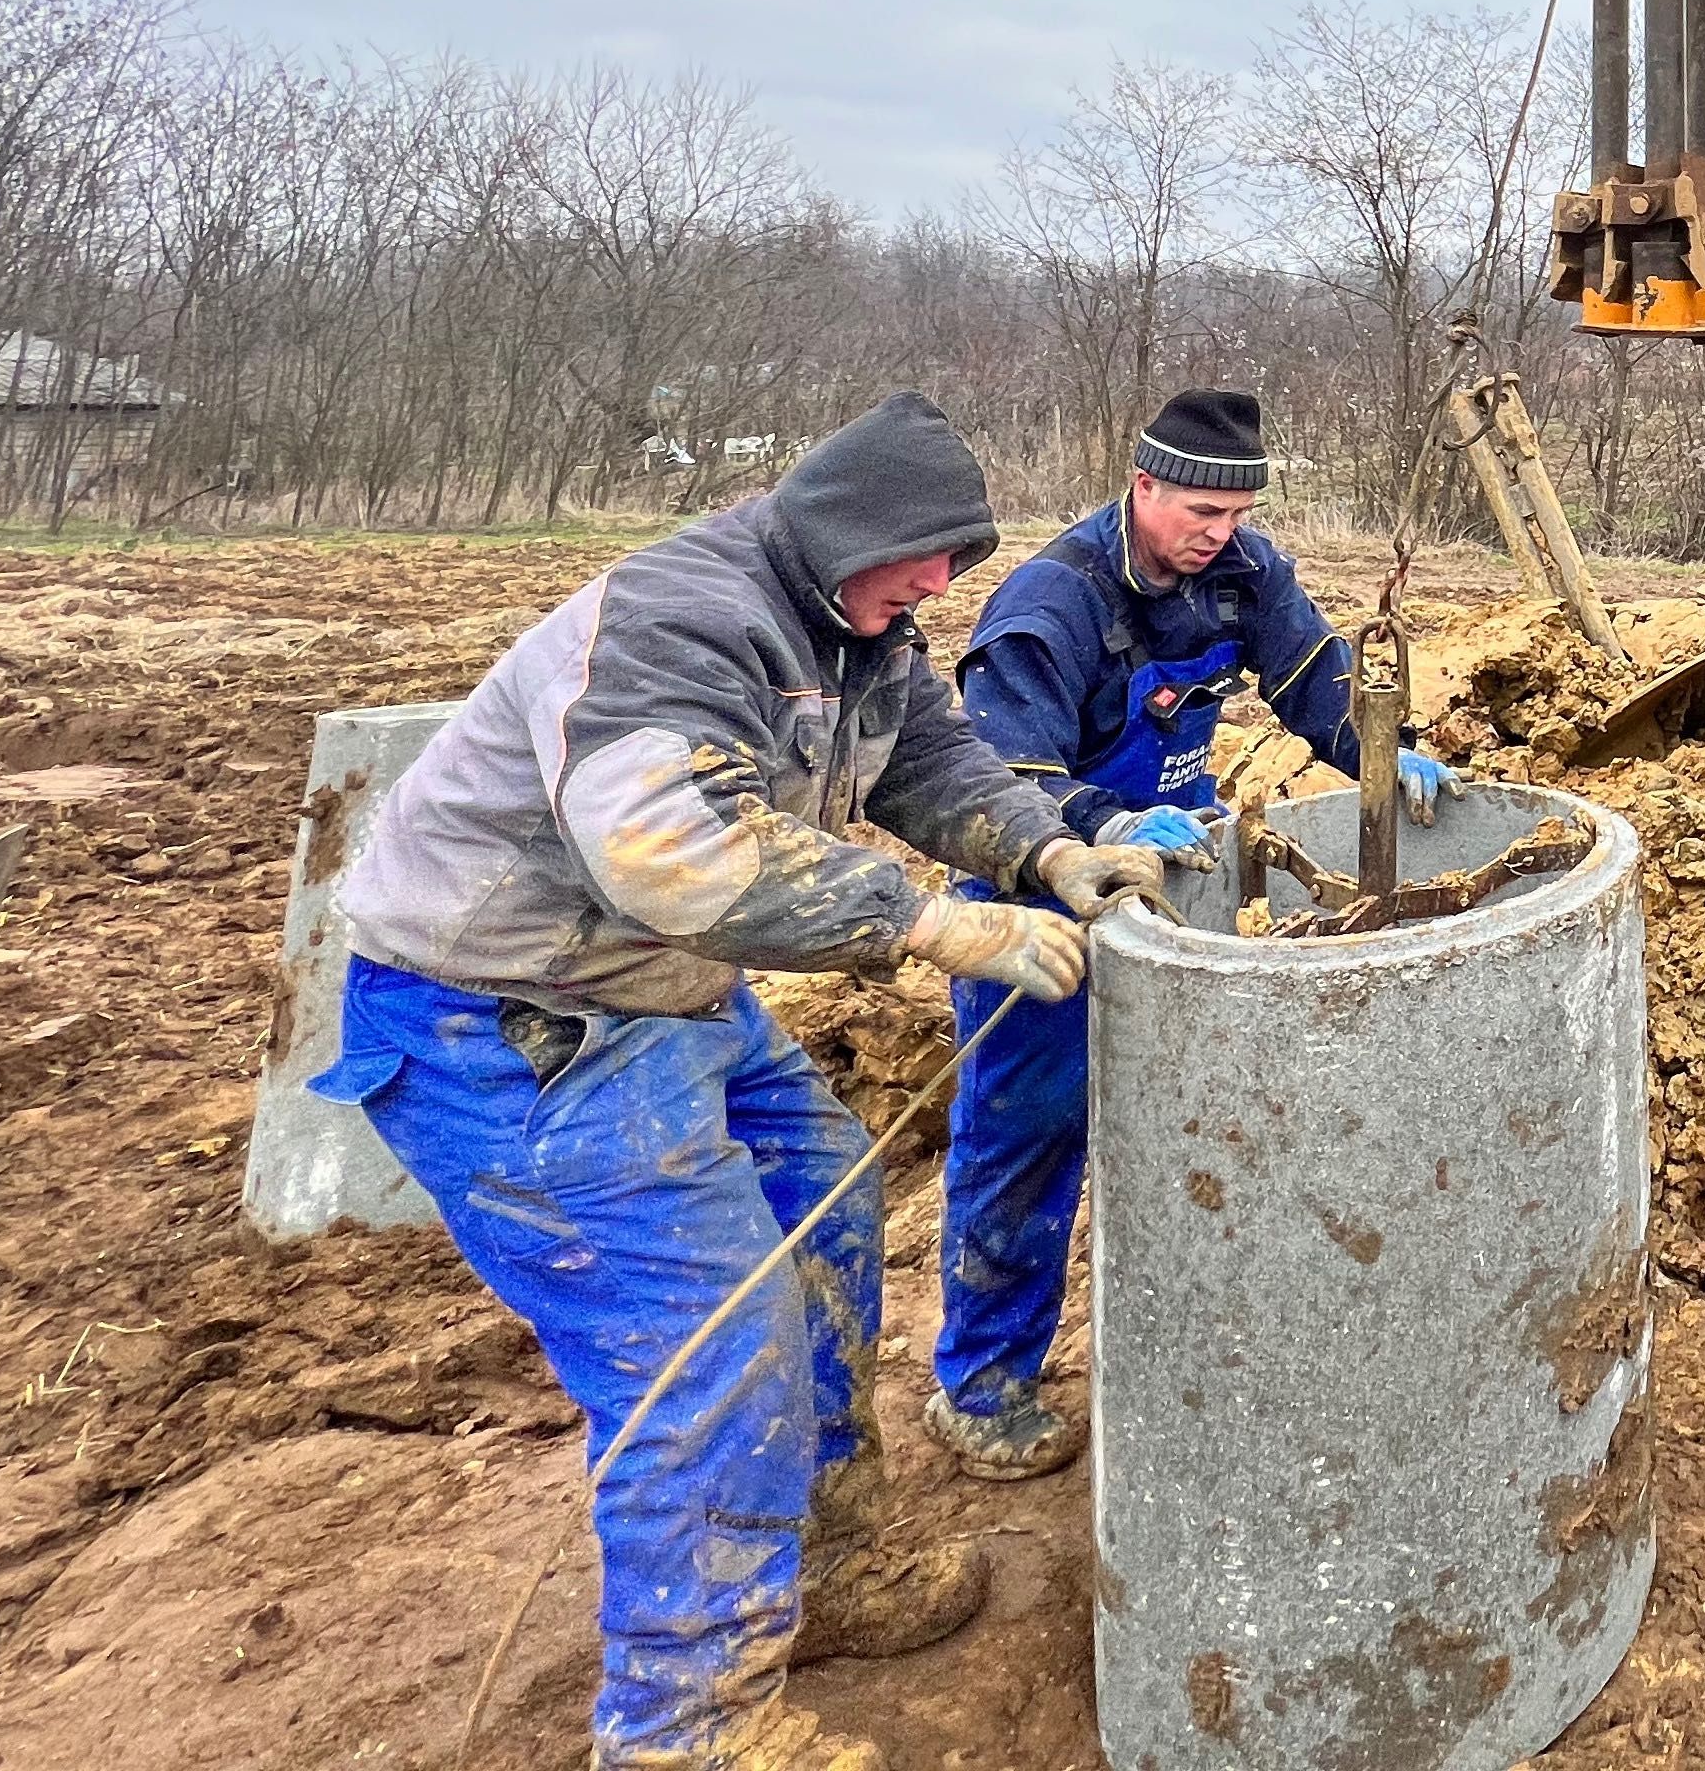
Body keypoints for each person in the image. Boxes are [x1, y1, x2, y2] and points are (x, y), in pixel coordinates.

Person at [319, 391, 1180, 1771]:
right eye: (920, 566)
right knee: (712, 1351)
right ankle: (684, 1733)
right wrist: (931, 924)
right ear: (844, 531)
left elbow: (936, 758)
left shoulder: (857, 625)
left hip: (658, 994)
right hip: (505, 1021)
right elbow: (670, 855)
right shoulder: (685, 623)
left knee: (828, 1215)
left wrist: (1044, 853)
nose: (935, 594)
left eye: (951, 570)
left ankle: (823, 1570)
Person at [922, 385, 1442, 1477]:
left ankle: (1206, 1348)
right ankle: (984, 1385)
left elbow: (1315, 685)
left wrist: (1384, 754)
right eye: (1199, 511)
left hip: (1177, 890)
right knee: (1026, 1137)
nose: (1220, 533)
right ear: (1142, 485)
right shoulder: (1050, 606)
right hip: (1038, 900)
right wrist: (1101, 821)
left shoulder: (1244, 574)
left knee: (1205, 1127)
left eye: (1236, 513)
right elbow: (995, 777)